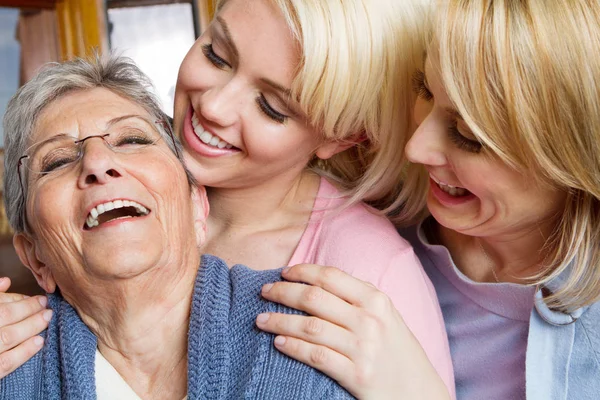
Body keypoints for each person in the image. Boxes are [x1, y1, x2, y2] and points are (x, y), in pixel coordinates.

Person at [1, 0, 455, 397]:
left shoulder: (369, 268)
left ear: (341, 137)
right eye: (217, 55)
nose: (214, 107)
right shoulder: (131, 180)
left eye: (272, 107)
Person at [254, 0, 600, 399]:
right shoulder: (373, 217)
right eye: (425, 89)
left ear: (574, 161)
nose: (416, 149)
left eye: (467, 135)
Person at [0, 55, 356, 399]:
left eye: (132, 139)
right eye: (58, 161)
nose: (98, 162)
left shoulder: (315, 335)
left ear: (197, 208)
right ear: (35, 258)